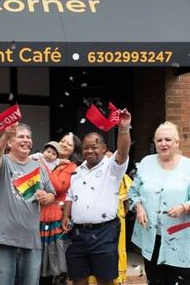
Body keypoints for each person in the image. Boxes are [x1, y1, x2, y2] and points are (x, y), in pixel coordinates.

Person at [61, 108, 132, 285]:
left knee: (105, 280)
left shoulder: (112, 168)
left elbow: (123, 152)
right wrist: (65, 215)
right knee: (78, 279)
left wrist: (123, 128)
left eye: (94, 146)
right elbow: (70, 195)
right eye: (86, 147)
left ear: (104, 148)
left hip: (104, 232)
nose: (90, 150)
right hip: (78, 232)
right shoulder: (77, 171)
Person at [0, 123, 56, 285]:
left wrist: (46, 197)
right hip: (4, 239)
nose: (26, 140)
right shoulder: (3, 162)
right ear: (10, 143)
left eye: (28, 137)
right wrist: (4, 137)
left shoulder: (39, 167)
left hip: (31, 241)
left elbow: (52, 193)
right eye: (21, 136)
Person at [128, 121, 190, 285]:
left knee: (180, 280)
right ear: (154, 143)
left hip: (181, 239)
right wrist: (139, 207)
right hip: (151, 237)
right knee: (155, 280)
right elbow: (133, 192)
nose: (163, 143)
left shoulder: (188, 166)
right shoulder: (146, 163)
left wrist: (184, 207)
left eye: (168, 140)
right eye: (159, 140)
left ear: (177, 142)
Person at [40, 133, 82, 285]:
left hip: (57, 217)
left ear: (74, 150)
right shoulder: (51, 161)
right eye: (62, 141)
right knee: (41, 263)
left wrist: (43, 166)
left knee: (56, 265)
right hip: (41, 215)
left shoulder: (72, 167)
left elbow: (59, 187)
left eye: (69, 144)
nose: (64, 144)